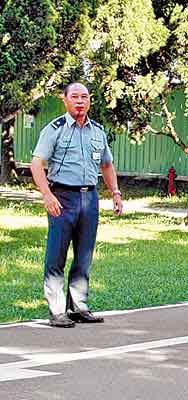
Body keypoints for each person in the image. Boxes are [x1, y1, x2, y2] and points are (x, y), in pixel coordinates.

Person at [30, 82, 123, 328]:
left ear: (89, 100)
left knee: (84, 255)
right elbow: (37, 164)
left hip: (89, 198)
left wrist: (115, 192)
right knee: (56, 255)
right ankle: (57, 310)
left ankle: (78, 306)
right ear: (65, 100)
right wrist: (47, 195)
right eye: (74, 97)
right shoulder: (55, 129)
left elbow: (106, 165)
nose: (80, 101)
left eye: (84, 97)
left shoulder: (97, 132)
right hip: (62, 197)